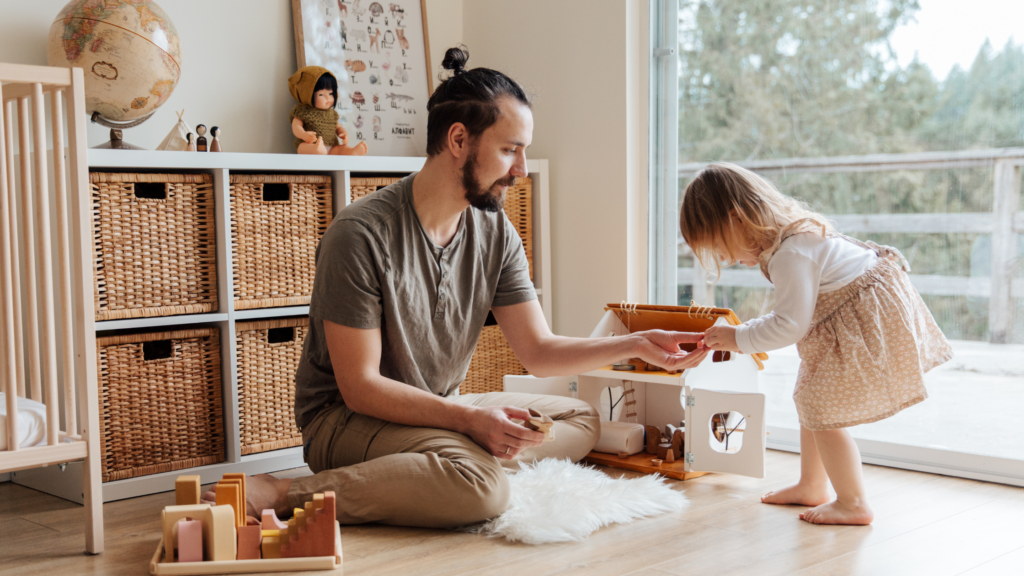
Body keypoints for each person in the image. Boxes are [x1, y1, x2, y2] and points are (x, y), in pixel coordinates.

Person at [205, 47, 709, 527]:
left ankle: (447, 463)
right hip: (346, 420)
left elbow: (537, 351)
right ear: (459, 140)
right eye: (510, 150)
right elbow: (360, 388)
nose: (521, 171)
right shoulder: (359, 234)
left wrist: (637, 344)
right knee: (484, 490)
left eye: (524, 152)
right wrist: (468, 423)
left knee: (578, 420)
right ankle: (286, 493)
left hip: (438, 407)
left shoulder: (495, 231)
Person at [681, 163, 953, 525]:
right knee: (811, 399)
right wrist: (743, 331)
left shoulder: (791, 254)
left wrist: (738, 337)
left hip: (865, 324)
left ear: (738, 219)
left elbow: (790, 325)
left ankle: (853, 503)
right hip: (849, 317)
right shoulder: (791, 240)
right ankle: (812, 485)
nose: (727, 259)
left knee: (822, 410)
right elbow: (795, 316)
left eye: (720, 246)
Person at [288, 65, 368, 155]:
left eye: (330, 93)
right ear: (306, 95)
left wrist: (344, 134)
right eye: (321, 95)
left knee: (341, 149)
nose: (328, 98)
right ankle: (317, 149)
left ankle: (352, 152)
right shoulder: (302, 111)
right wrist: (303, 135)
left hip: (331, 147)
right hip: (310, 144)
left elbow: (338, 127)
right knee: (302, 147)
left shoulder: (332, 114)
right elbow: (296, 127)